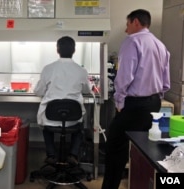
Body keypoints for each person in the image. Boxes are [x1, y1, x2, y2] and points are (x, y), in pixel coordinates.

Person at [101, 9, 170, 189]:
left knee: (115, 148)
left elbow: (124, 76)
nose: (126, 29)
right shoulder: (160, 44)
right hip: (154, 102)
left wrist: (119, 101)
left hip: (134, 104)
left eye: (127, 24)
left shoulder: (132, 42)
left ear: (136, 22)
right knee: (144, 149)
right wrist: (155, 97)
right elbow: (165, 81)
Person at [34, 36, 92, 165]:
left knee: (46, 127)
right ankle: (73, 154)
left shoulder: (48, 69)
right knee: (79, 127)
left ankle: (51, 155)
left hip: (51, 117)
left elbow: (39, 91)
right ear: (74, 50)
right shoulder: (81, 70)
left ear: (57, 50)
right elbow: (87, 91)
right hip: (73, 118)